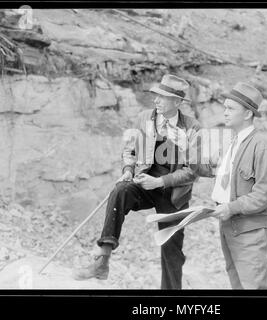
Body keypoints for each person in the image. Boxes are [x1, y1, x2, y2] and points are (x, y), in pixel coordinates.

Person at [73, 74, 200, 290]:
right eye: (156, 96)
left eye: (163, 97)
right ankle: (102, 259)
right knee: (120, 190)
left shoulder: (191, 126)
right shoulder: (144, 118)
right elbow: (129, 150)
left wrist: (159, 182)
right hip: (144, 183)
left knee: (172, 251)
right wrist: (128, 170)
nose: (156, 100)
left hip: (173, 194)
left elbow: (192, 171)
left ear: (177, 102)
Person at [189, 82, 267, 289]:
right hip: (229, 227)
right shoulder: (234, 143)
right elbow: (222, 177)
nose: (225, 112)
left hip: (250, 232)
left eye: (231, 108)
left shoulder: (262, 146)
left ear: (247, 114)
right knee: (238, 286)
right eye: (225, 107)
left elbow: (264, 194)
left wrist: (230, 207)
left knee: (254, 287)